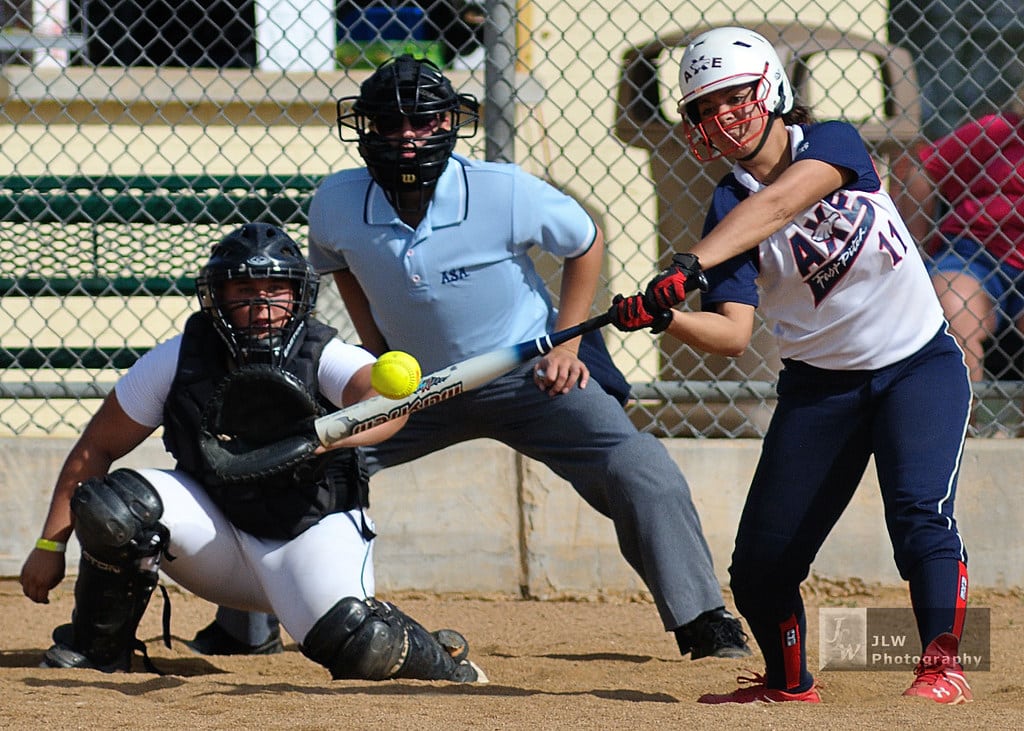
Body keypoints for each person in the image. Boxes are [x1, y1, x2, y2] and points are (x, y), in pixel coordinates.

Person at [199, 54, 751, 663]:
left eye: (425, 122)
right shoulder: (336, 199)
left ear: (449, 125)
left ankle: (705, 622)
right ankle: (246, 623)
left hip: (528, 373)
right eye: (390, 124)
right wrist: (376, 355)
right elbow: (337, 265)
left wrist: (567, 342)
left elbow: (585, 241)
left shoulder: (501, 189)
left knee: (638, 464)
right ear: (366, 128)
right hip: (418, 390)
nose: (408, 138)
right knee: (299, 460)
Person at [607, 27, 972, 704]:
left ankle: (942, 665)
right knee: (761, 567)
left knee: (919, 515)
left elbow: (780, 201)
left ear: (770, 89)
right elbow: (732, 333)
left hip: (917, 365)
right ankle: (787, 681)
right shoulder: (724, 207)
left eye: (736, 98)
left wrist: (690, 263)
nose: (724, 117)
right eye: (705, 109)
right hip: (819, 390)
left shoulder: (830, 141)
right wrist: (666, 315)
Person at [19, 222, 484, 683]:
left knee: (363, 646)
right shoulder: (181, 358)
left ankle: (444, 663)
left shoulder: (322, 352)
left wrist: (330, 435)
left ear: (298, 295)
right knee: (114, 507)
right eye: (244, 289)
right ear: (218, 297)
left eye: (276, 289)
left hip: (308, 533)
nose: (261, 305)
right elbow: (95, 448)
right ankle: (95, 650)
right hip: (215, 537)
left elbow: (386, 407)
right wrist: (49, 544)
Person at [894, 99, 1024, 435]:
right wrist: (915, 248)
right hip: (974, 253)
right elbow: (923, 170)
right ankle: (963, 430)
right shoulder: (999, 130)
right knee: (951, 302)